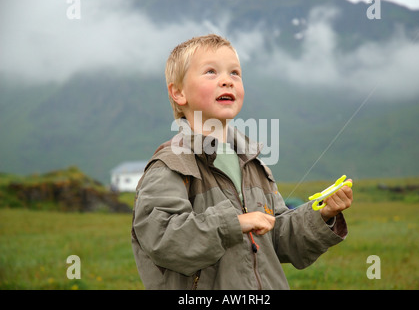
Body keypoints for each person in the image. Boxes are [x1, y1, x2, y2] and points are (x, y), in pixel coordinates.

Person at [131, 34, 353, 289]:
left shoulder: (253, 164)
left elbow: (278, 236)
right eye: (211, 72)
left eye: (235, 73)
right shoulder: (170, 165)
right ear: (179, 93)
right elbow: (162, 239)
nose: (227, 80)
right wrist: (234, 223)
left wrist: (323, 214)